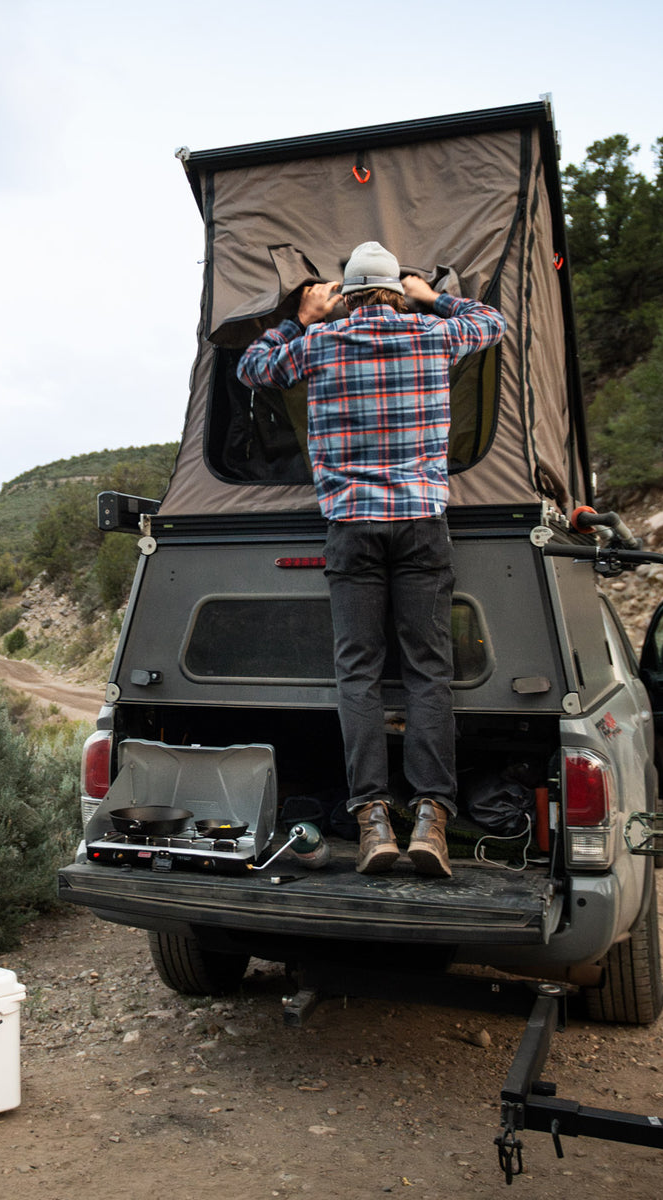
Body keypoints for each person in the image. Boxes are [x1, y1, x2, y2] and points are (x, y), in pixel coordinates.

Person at [237, 241, 507, 877]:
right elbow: (494, 324)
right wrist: (433, 297)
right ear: (394, 289)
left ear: (349, 295)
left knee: (357, 673)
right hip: (420, 524)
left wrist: (298, 318)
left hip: (351, 527)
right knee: (427, 672)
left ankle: (373, 820)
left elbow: (252, 367)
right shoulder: (435, 335)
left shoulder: (320, 345)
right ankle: (433, 821)